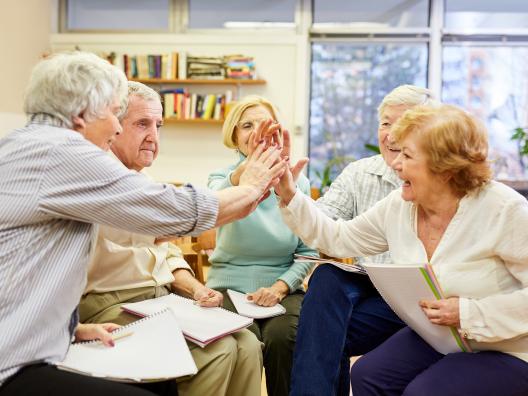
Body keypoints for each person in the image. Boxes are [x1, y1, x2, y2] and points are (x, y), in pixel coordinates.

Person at [0, 52, 285, 395]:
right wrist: (250, 186)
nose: (116, 126)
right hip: (15, 363)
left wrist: (68, 329)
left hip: (32, 345)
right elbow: (175, 213)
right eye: (111, 112)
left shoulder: (27, 147)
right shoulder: (62, 154)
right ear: (80, 115)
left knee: (242, 345)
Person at [276, 104, 528, 396]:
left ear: (445, 169)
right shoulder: (400, 205)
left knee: (423, 392)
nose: (395, 164)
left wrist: (469, 312)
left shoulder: (504, 210)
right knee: (368, 374)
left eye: (407, 155)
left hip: (508, 347)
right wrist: (291, 195)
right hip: (440, 338)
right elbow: (338, 238)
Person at [79, 81, 263, 396]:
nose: (153, 135)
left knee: (247, 344)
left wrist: (195, 288)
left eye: (158, 125)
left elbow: (166, 250)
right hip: (111, 304)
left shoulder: (142, 178)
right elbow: (170, 226)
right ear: (113, 127)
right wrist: (249, 188)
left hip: (159, 300)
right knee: (217, 353)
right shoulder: (101, 178)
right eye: (142, 124)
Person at [290, 85, 439, 396]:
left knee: (327, 335)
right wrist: (289, 195)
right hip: (364, 283)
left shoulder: (442, 184)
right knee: (329, 277)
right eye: (386, 123)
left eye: (404, 124)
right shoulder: (359, 174)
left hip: (413, 297)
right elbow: (327, 223)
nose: (392, 134)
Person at [206, 95, 319, 396]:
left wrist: (280, 287)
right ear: (234, 136)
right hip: (228, 287)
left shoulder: (296, 182)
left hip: (282, 286)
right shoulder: (221, 179)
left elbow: (309, 251)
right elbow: (210, 208)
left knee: (284, 340)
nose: (256, 132)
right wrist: (243, 177)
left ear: (277, 134)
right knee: (246, 342)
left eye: (264, 125)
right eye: (247, 125)